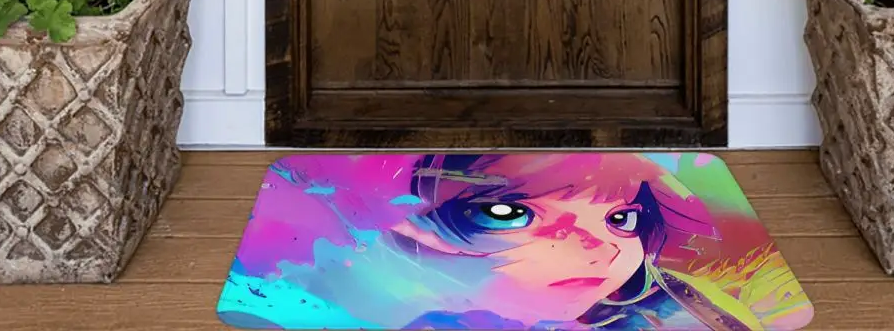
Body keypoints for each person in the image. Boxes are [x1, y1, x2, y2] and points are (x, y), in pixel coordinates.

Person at [217, 152, 811, 331]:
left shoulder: (663, 308)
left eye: (622, 220)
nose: (599, 248)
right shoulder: (325, 288)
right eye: (510, 212)